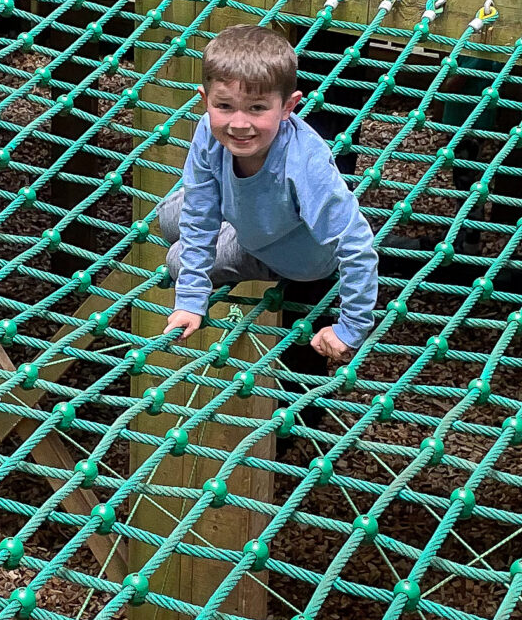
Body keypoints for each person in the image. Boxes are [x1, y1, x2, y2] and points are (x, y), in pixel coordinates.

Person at [159, 26, 378, 368]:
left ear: (289, 106)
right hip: (254, 214)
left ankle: (230, 229)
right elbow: (200, 212)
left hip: (293, 256)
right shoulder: (208, 130)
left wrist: (351, 328)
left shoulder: (305, 163)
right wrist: (190, 298)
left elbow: (357, 244)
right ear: (205, 100)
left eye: (257, 108)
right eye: (224, 106)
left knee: (176, 260)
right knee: (169, 217)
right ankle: (229, 220)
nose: (239, 124)